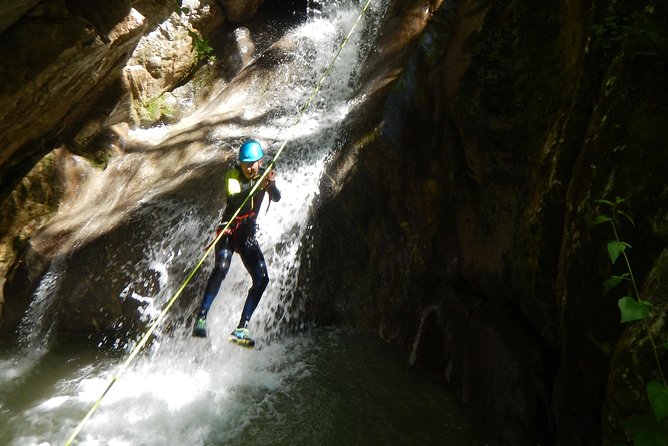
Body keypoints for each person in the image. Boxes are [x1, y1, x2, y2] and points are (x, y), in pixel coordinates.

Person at [192, 139, 281, 347]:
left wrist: (271, 185)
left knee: (262, 279)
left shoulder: (262, 175)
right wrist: (258, 186)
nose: (249, 168)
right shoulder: (233, 176)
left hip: (247, 236)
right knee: (221, 268)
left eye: (253, 164)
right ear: (239, 164)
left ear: (260, 162)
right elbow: (235, 200)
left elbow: (276, 198)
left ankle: (242, 327)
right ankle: (202, 316)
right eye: (245, 164)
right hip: (229, 233)